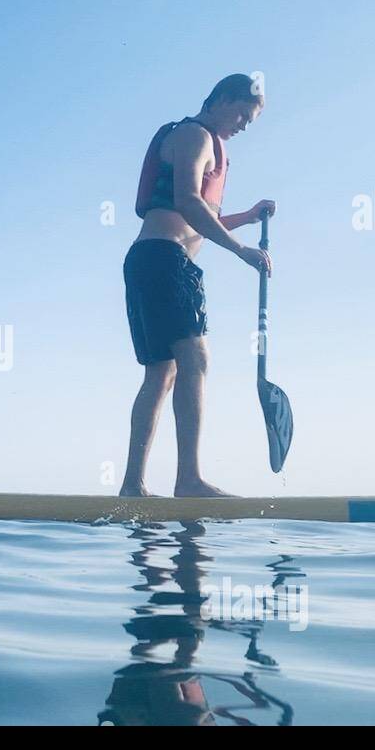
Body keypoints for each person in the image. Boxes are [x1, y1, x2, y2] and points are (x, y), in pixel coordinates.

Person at [120, 74, 275, 498]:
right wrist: (241, 251)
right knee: (195, 359)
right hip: (166, 262)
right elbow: (189, 200)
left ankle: (133, 486)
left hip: (150, 260)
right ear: (223, 99)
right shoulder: (195, 134)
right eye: (243, 112)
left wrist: (245, 217)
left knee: (162, 372)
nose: (244, 124)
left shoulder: (196, 137)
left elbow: (193, 218)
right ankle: (188, 480)